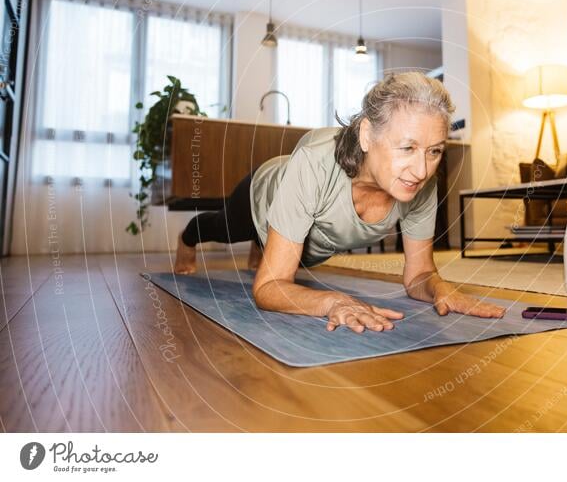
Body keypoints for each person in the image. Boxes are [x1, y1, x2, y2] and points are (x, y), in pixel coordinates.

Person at [174, 72, 506, 333]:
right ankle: (188, 237)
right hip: (262, 194)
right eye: (407, 148)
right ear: (366, 136)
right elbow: (269, 287)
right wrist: (333, 301)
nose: (421, 170)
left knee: (288, 253)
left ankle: (263, 247)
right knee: (220, 227)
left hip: (302, 224)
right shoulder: (314, 163)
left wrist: (438, 287)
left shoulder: (421, 183)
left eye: (434, 151)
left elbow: (418, 275)